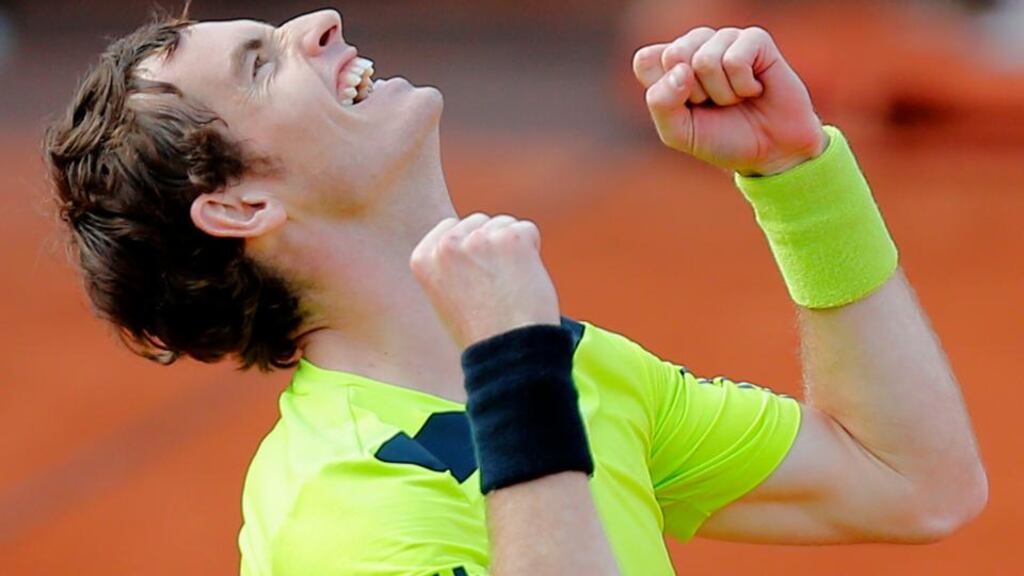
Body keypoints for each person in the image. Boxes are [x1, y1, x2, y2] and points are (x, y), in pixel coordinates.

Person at [44, 7, 987, 576]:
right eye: (262, 62)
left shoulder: (571, 371)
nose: (320, 22)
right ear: (241, 202)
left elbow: (912, 486)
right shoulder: (342, 509)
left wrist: (797, 175)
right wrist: (514, 369)